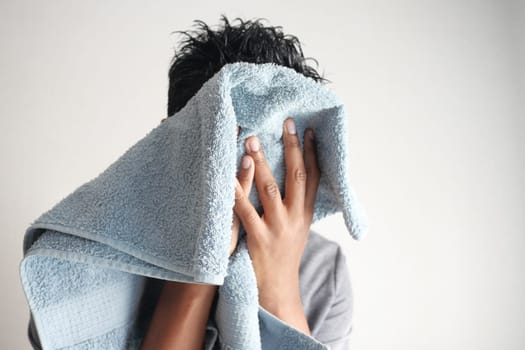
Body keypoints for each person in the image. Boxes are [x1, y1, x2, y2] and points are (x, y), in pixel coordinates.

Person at [27, 15, 354, 350]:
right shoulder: (80, 259)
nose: (251, 173)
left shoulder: (324, 274)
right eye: (223, 148)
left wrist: (279, 284)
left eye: (273, 154)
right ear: (170, 145)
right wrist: (200, 268)